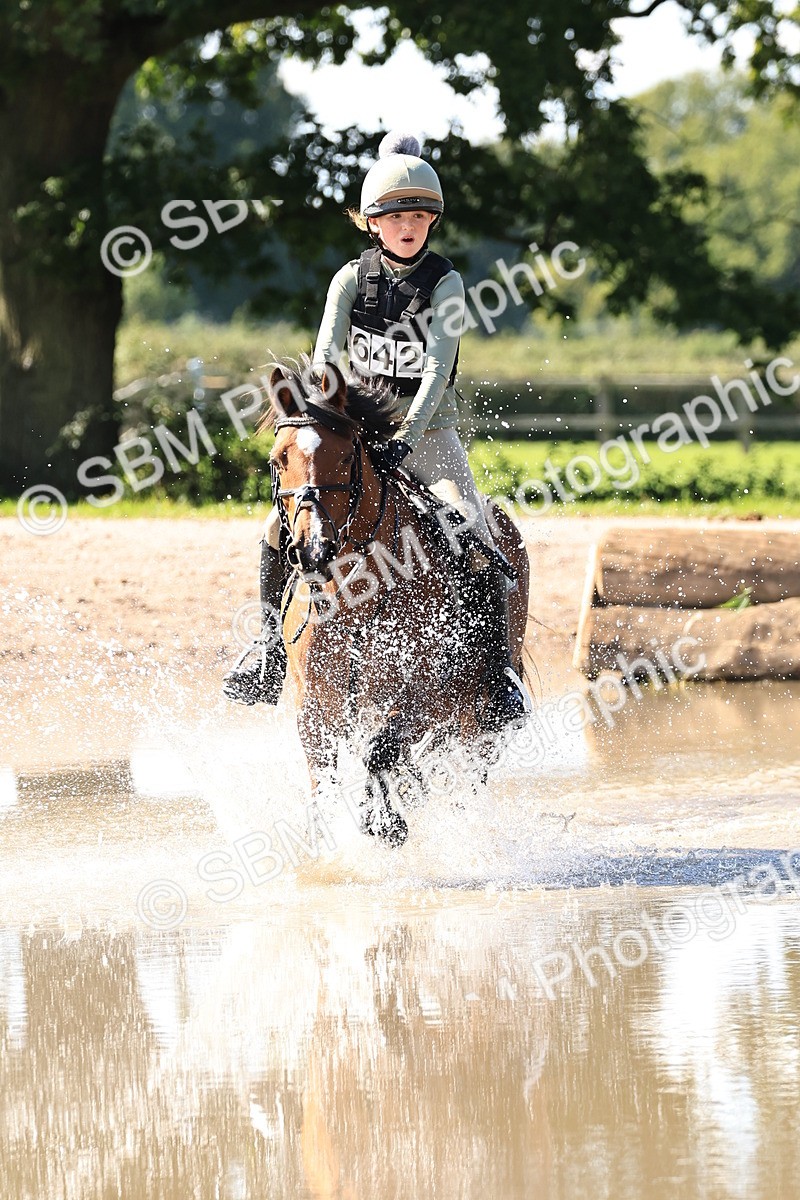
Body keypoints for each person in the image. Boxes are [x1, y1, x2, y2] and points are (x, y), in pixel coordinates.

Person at [223, 132, 527, 729]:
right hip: (357, 431)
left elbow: (438, 368)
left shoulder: (445, 283)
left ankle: (498, 678)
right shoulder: (348, 281)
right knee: (274, 527)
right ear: (371, 223)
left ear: (430, 221)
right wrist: (328, 424)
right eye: (394, 217)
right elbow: (326, 359)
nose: (407, 226)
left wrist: (408, 436)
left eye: (418, 216)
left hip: (429, 435)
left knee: (472, 532)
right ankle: (266, 652)